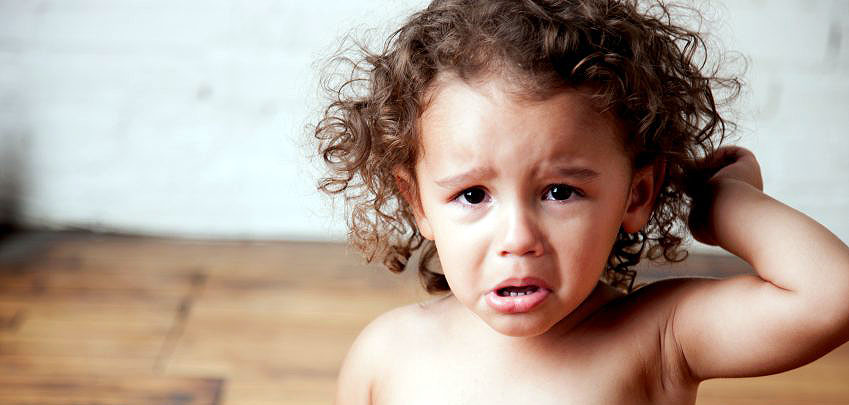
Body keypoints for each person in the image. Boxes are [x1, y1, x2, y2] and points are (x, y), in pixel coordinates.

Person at [313, 0, 849, 403]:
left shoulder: (660, 338)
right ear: (418, 204)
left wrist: (718, 202)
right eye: (473, 195)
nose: (518, 239)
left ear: (637, 194)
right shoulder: (386, 355)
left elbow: (833, 295)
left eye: (559, 192)